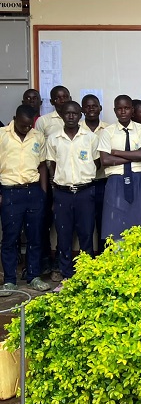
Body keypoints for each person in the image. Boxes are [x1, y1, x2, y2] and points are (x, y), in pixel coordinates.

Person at [46, 101, 99, 291]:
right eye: (67, 113)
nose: (70, 116)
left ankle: (86, 275)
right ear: (62, 115)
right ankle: (67, 276)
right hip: (63, 193)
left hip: (85, 192)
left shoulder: (90, 138)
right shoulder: (53, 139)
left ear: (80, 115)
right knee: (64, 234)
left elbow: (97, 162)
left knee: (86, 234)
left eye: (74, 113)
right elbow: (51, 165)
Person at [0, 105, 51, 295]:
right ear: (14, 119)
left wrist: (44, 193)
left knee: (35, 237)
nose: (26, 129)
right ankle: (10, 281)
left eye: (29, 125)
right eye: (23, 125)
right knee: (10, 238)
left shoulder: (37, 136)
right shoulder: (2, 135)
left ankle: (33, 277)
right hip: (10, 192)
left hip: (34, 192)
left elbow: (42, 166)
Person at [97, 95, 141, 241]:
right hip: (115, 180)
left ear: (132, 110)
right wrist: (131, 156)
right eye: (119, 109)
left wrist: (115, 152)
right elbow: (105, 159)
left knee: (140, 222)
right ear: (115, 111)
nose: (123, 112)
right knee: (116, 224)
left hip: (138, 179)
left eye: (126, 108)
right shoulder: (107, 132)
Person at [35, 84, 71, 280]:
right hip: (48, 179)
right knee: (45, 220)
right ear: (51, 101)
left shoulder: (75, 119)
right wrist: (48, 178)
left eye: (65, 96)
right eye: (58, 98)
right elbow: (39, 150)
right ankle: (45, 260)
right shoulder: (43, 121)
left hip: (67, 180)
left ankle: (60, 260)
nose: (62, 100)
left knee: (63, 222)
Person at [81, 94, 109, 253]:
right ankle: (87, 261)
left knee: (104, 222)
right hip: (84, 184)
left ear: (100, 108)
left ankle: (104, 259)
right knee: (86, 224)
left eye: (94, 105)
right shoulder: (77, 129)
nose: (91, 109)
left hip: (104, 182)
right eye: (87, 106)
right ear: (82, 109)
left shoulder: (109, 128)